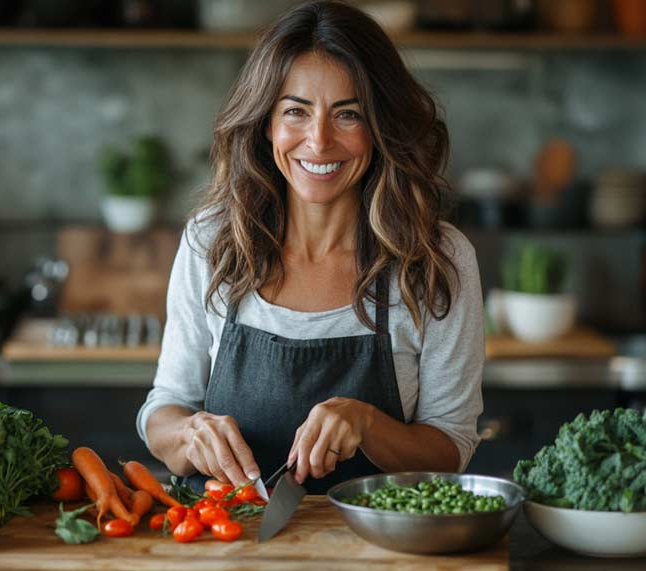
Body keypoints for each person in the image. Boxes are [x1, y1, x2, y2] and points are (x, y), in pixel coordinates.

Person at [136, 0, 484, 493]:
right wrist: (189, 432)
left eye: (348, 115)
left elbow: (451, 446)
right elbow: (163, 409)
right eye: (296, 111)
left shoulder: (435, 261)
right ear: (265, 123)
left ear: (382, 127)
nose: (318, 142)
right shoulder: (212, 242)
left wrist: (367, 423)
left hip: (377, 553)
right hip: (225, 545)